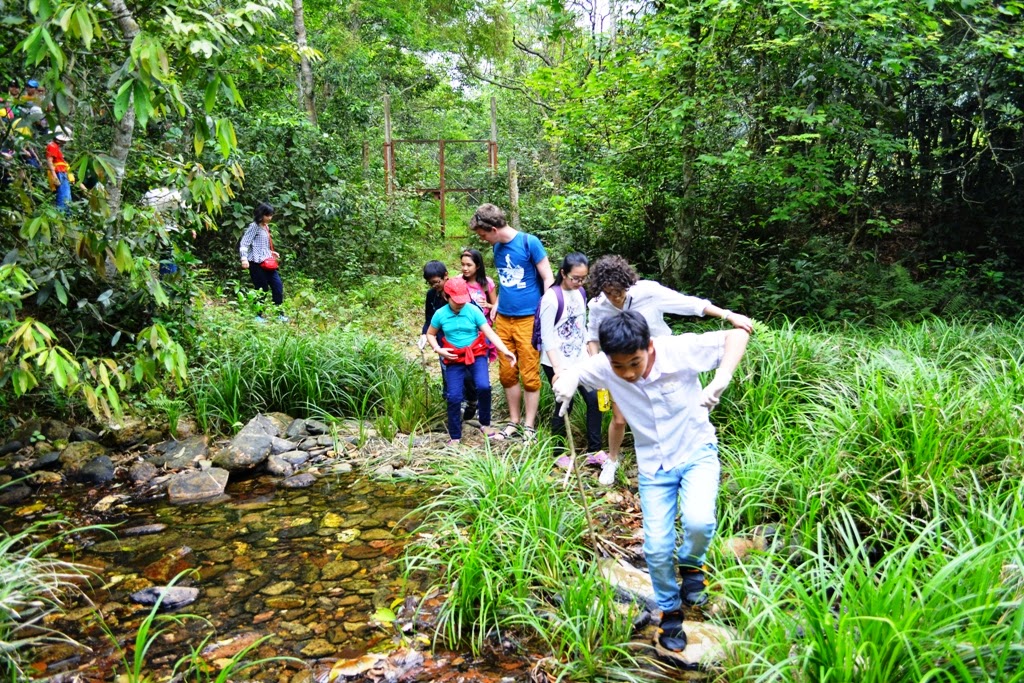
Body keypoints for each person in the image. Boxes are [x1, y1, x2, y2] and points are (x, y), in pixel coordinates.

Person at [553, 310, 750, 652]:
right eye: (619, 367)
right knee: (656, 548)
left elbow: (737, 335)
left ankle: (692, 565)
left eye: (635, 362)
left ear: (649, 347)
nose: (628, 373)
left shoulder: (677, 349)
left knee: (700, 522)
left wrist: (721, 378)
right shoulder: (605, 365)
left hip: (696, 451)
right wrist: (567, 380)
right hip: (653, 466)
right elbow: (575, 371)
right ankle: (670, 612)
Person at [585, 255, 753, 485]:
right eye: (609, 293)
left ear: (627, 283)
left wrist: (728, 315)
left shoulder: (648, 292)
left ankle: (690, 460)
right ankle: (612, 460)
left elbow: (688, 304)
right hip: (623, 366)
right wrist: (600, 369)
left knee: (674, 410)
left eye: (619, 291)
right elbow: (592, 338)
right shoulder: (597, 306)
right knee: (620, 418)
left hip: (662, 362)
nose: (615, 297)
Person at [469, 203, 554, 441]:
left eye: (483, 234)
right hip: (504, 319)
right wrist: (497, 303)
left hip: (528, 318)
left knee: (529, 373)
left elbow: (548, 278)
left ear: (494, 229)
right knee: (507, 373)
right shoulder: (497, 246)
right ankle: (513, 422)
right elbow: (505, 279)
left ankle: (529, 425)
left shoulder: (529, 243)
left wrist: (546, 312)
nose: (482, 239)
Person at [426, 277, 517, 445]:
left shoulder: (473, 310)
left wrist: (505, 351)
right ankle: (455, 436)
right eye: (456, 300)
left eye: (463, 299)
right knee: (454, 396)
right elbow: (430, 334)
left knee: (483, 386)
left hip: (476, 353)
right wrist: (438, 349)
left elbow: (489, 333)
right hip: (454, 357)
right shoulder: (440, 314)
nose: (460, 303)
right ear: (446, 297)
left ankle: (485, 424)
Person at [538, 252, 602, 461]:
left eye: (583, 278)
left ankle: (594, 451)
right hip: (556, 361)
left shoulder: (581, 292)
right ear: (563, 273)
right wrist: (558, 369)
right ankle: (558, 453)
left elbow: (582, 327)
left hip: (579, 358)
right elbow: (547, 337)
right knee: (565, 402)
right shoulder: (551, 298)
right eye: (575, 278)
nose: (579, 283)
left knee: (595, 400)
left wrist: (591, 354)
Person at [419, 260, 478, 421]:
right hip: (443, 343)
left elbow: (473, 313)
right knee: (448, 374)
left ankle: (473, 401)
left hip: (465, 342)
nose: (434, 286)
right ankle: (455, 408)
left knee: (468, 375)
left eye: (436, 282)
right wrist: (424, 334)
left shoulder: (457, 291)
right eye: (430, 283)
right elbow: (429, 318)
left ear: (446, 276)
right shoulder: (431, 295)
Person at [239, 202, 287, 322]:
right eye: (267, 215)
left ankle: (279, 314)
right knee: (262, 289)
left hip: (267, 262)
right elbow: (244, 243)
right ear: (261, 214)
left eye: (271, 215)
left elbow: (262, 245)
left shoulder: (266, 227)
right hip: (255, 263)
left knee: (278, 286)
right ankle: (258, 315)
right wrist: (244, 258)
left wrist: (271, 252)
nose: (270, 218)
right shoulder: (254, 226)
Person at [460, 248, 497, 321]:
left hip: (484, 324)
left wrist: (487, 305)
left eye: (469, 265)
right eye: (463, 264)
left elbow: (496, 307)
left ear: (477, 266)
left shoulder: (487, 283)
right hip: (465, 323)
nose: (465, 268)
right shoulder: (459, 281)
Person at [44, 126, 72, 213]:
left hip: (62, 172)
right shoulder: (52, 146)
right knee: (63, 196)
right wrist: (55, 176)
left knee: (67, 196)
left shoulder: (56, 147)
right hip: (59, 173)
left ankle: (67, 215)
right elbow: (49, 161)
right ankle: (61, 215)